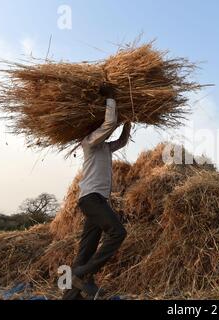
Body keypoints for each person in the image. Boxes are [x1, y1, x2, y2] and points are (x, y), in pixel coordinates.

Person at [63, 84, 132, 300]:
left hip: (96, 199)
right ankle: (84, 274)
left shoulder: (104, 147)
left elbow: (120, 141)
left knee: (86, 248)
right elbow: (109, 123)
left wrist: (128, 123)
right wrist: (111, 98)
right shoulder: (90, 142)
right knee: (118, 232)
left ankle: (70, 295)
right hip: (91, 198)